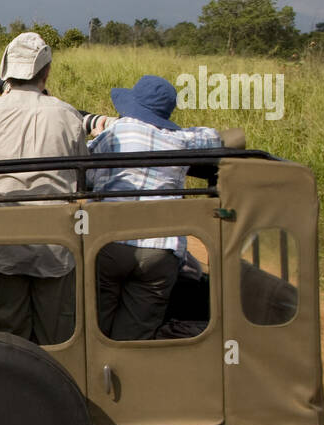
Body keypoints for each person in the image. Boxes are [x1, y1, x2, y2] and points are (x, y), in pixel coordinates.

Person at [0, 32, 103, 345]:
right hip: (55, 243)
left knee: (8, 328)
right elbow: (82, 170)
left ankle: (14, 383)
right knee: (57, 335)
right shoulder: (67, 115)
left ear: (5, 71)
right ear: (45, 73)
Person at [87, 74, 238, 340]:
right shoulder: (181, 139)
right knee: (135, 335)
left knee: (97, 324)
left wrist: (103, 127)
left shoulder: (118, 131)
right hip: (161, 251)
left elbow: (86, 165)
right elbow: (221, 138)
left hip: (110, 242)